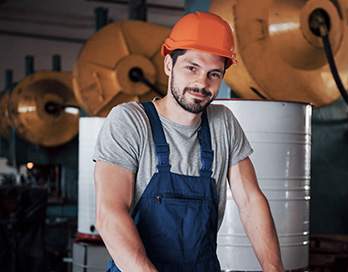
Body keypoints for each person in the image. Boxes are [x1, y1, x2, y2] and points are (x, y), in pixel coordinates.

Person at [93, 11, 284, 272]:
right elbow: (110, 214)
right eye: (192, 68)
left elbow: (251, 201)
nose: (201, 83)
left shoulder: (223, 123)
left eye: (214, 74)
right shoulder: (130, 121)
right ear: (169, 65)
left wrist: (274, 269)